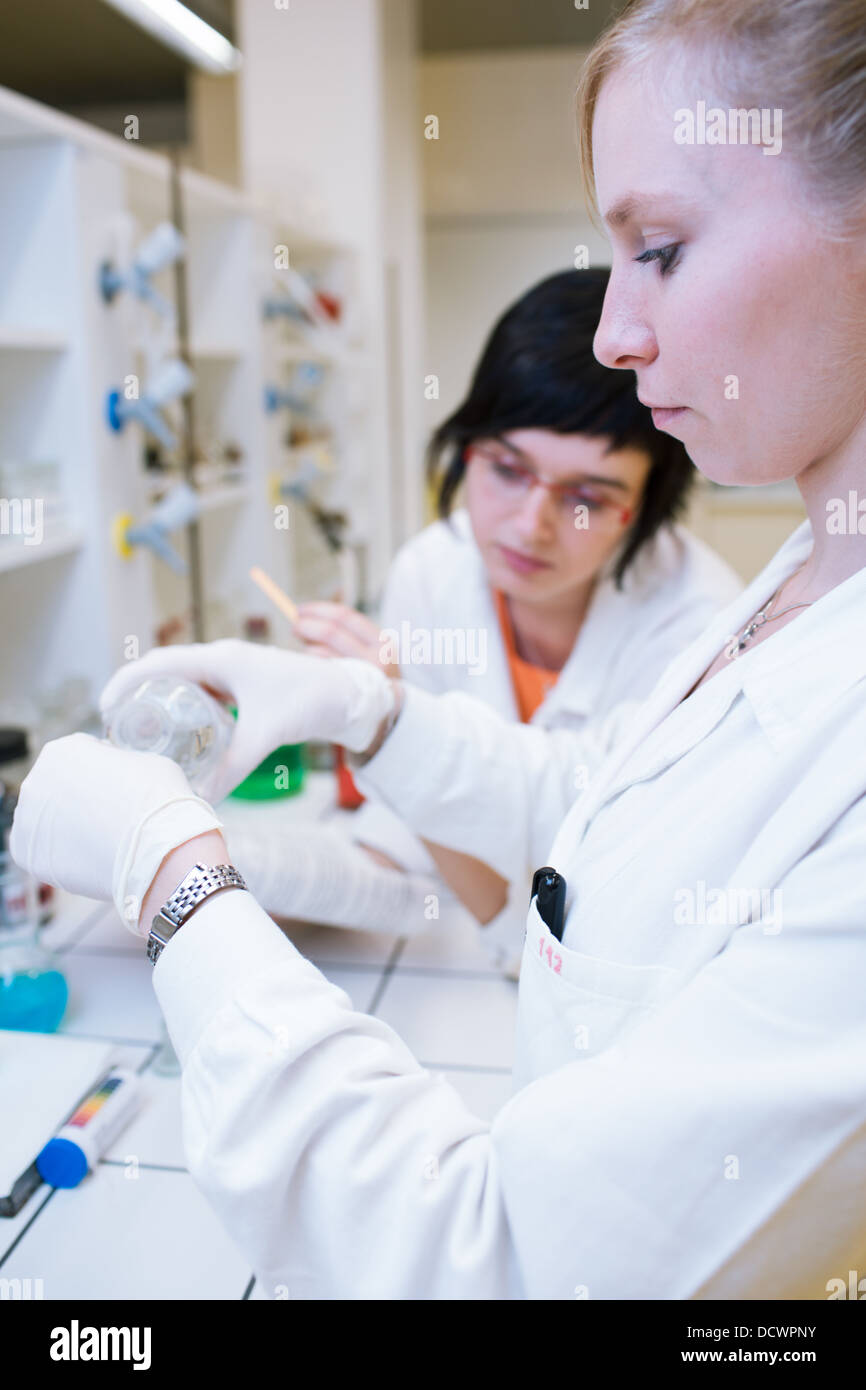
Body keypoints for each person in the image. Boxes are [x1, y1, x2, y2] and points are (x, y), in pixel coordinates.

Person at [11, 0, 866, 1299]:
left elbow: (499, 1259)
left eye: (662, 248)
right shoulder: (810, 571)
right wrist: (368, 709)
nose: (612, 334)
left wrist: (172, 870)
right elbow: (586, 838)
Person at [223, 268, 740, 972]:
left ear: (646, 507)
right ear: (466, 447)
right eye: (506, 468)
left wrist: (390, 731)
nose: (530, 527)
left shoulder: (701, 632)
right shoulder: (433, 573)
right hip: (450, 938)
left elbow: (577, 921)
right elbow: (414, 831)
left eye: (585, 495)